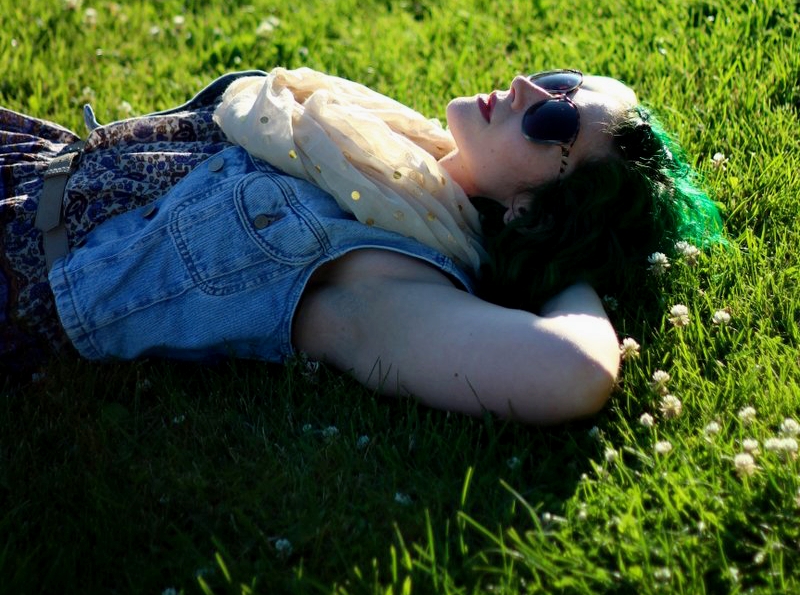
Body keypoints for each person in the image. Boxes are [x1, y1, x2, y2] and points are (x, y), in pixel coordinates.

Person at [0, 66, 722, 423]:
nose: (528, 86)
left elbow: (568, 372)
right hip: (29, 158)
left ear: (532, 210)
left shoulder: (384, 275)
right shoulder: (388, 153)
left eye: (556, 122)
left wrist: (560, 266)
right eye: (562, 82)